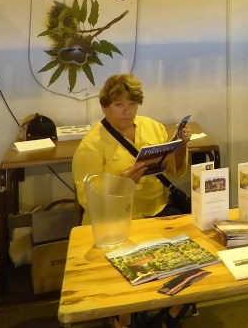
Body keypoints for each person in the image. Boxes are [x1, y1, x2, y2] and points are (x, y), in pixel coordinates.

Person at [73, 73, 192, 328]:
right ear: (104, 106)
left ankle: (170, 314)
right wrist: (125, 182)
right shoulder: (91, 144)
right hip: (114, 222)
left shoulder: (153, 127)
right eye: (119, 105)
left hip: (158, 209)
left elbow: (175, 171)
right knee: (125, 278)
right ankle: (123, 317)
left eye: (132, 104)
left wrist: (181, 144)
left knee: (192, 258)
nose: (127, 111)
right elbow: (87, 198)